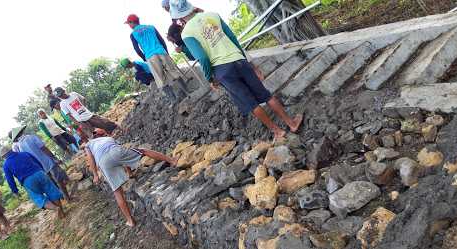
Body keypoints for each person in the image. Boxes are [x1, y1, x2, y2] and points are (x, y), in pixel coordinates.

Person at [171, 0, 304, 140]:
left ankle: (277, 131)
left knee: (251, 103)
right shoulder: (212, 15)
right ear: (191, 7)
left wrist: (210, 78)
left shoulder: (186, 33)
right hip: (239, 60)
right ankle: (291, 123)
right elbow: (233, 38)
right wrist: (248, 62)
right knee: (265, 95)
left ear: (179, 17)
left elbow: (202, 58)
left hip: (222, 70)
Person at [84, 128, 178, 227]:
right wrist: (129, 172)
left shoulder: (89, 144)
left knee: (117, 191)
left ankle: (130, 221)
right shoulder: (108, 139)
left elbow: (91, 159)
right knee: (143, 151)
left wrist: (95, 175)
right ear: (103, 134)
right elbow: (121, 158)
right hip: (114, 150)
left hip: (103, 161)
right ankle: (172, 160)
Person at [125, 14, 189, 104]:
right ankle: (187, 91)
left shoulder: (133, 34)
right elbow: (161, 40)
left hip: (150, 56)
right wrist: (166, 51)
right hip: (161, 51)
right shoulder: (151, 27)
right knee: (173, 71)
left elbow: (137, 49)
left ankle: (173, 100)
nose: (129, 26)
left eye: (129, 23)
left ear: (132, 23)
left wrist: (145, 58)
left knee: (160, 78)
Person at [0, 146, 66, 219]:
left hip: (28, 181)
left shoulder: (6, 165)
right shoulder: (25, 153)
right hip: (39, 173)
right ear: (11, 150)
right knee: (52, 191)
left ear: (4, 156)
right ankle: (62, 214)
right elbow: (37, 162)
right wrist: (43, 171)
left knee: (38, 197)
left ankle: (55, 208)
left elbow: (10, 180)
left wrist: (15, 191)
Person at [10, 126, 72, 201]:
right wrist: (54, 158)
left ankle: (61, 198)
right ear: (21, 132)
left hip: (38, 167)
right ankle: (67, 198)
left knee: (52, 183)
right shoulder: (32, 137)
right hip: (47, 161)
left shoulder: (19, 146)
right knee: (59, 180)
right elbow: (44, 148)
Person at [54, 87, 121, 136]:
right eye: (59, 96)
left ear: (64, 91)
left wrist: (84, 107)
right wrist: (79, 124)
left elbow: (83, 99)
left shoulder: (74, 94)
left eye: (61, 94)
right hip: (82, 121)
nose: (61, 97)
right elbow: (69, 115)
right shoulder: (62, 104)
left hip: (89, 115)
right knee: (94, 135)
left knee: (106, 123)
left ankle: (118, 129)